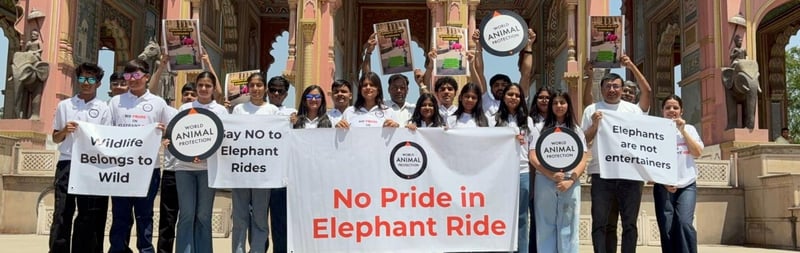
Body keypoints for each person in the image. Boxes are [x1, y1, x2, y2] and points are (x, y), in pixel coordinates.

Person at [108, 59, 172, 253]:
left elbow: (170, 130)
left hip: (148, 169)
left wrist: (163, 135)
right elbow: (105, 132)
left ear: (146, 76)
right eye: (128, 76)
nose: (132, 80)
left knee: (145, 215)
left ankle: (145, 250)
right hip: (121, 169)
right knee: (120, 214)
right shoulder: (115, 102)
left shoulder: (158, 103)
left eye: (136, 75)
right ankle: (118, 249)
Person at [49, 62, 110, 253]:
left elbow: (106, 140)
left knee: (87, 214)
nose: (86, 82)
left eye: (91, 79)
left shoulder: (104, 108)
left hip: (90, 166)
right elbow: (55, 137)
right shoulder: (65, 105)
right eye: (83, 78)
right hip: (67, 162)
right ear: (78, 80)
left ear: (98, 83)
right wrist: (65, 131)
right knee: (62, 212)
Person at [582, 73, 644, 253]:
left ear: (622, 89)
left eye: (616, 86)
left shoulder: (633, 111)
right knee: (602, 224)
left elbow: (645, 140)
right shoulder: (592, 110)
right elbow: (583, 141)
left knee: (629, 224)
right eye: (608, 86)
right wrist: (594, 125)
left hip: (630, 175)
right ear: (601, 89)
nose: (612, 90)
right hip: (602, 174)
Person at [173, 71, 228, 253]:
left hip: (208, 169)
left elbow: (225, 138)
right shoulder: (184, 109)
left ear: (213, 89)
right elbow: (176, 135)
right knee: (187, 214)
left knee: (204, 215)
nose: (204, 89)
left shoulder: (220, 111)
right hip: (184, 168)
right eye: (201, 85)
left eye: (208, 86)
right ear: (196, 87)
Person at [530, 91, 588, 253]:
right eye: (555, 103)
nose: (559, 106)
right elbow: (533, 155)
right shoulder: (540, 128)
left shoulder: (576, 130)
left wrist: (570, 180)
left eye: (562, 102)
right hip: (545, 180)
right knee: (545, 224)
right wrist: (549, 174)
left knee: (569, 224)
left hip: (570, 181)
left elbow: (583, 158)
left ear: (568, 105)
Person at [230, 73, 278, 253]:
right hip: (241, 170)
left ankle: (257, 250)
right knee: (240, 218)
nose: (256, 89)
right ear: (247, 88)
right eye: (252, 85)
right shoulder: (239, 109)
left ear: (264, 88)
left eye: (259, 85)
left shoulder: (272, 110)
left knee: (259, 218)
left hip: (262, 173)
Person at [654, 94, 704, 253]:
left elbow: (697, 152)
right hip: (663, 185)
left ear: (681, 111)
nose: (671, 110)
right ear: (662, 111)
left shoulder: (690, 129)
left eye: (675, 107)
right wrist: (663, 181)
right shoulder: (655, 130)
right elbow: (650, 160)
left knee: (684, 223)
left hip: (687, 184)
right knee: (667, 226)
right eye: (667, 107)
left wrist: (682, 131)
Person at [493, 83, 534, 253]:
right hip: (500, 174)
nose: (513, 98)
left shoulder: (528, 120)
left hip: (522, 171)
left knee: (522, 217)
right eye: (510, 94)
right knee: (500, 215)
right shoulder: (493, 119)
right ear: (504, 97)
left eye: (517, 95)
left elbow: (532, 149)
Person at [157, 83, 196, 253]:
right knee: (167, 219)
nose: (189, 97)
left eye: (192, 94)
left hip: (192, 173)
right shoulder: (171, 114)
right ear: (181, 96)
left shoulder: (203, 119)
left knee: (190, 218)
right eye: (186, 94)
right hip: (171, 173)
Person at [262, 75, 295, 253]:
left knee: (280, 223)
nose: (275, 93)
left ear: (286, 94)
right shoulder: (256, 111)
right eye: (272, 89)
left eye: (279, 91)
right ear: (267, 91)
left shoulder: (292, 114)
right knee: (258, 223)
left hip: (281, 178)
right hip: (257, 175)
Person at [471, 29, 536, 115]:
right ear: (491, 89)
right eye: (496, 85)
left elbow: (526, 74)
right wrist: (478, 44)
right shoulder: (487, 104)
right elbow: (479, 73)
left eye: (504, 85)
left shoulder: (518, 103)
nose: (500, 88)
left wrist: (529, 45)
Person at [583, 54, 652, 113]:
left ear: (635, 97)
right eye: (625, 91)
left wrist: (631, 66)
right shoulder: (602, 108)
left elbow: (647, 91)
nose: (627, 94)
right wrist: (590, 76)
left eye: (631, 92)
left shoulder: (637, 110)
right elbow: (588, 103)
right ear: (620, 91)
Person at [335, 72, 400, 128]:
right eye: (364, 85)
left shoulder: (389, 112)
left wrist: (395, 128)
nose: (368, 87)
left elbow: (398, 138)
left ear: (378, 89)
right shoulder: (349, 112)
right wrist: (338, 128)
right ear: (360, 90)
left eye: (372, 85)